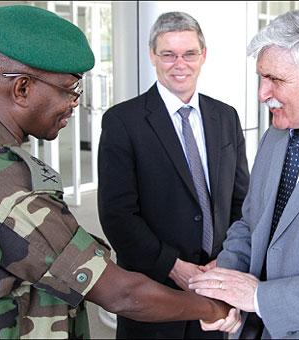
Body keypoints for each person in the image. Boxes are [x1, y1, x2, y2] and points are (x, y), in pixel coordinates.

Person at [0, 5, 236, 339]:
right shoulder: (6, 186)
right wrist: (214, 308)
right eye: (69, 90)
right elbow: (121, 293)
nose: (75, 104)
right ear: (23, 88)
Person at [188, 9, 299, 339]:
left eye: (275, 80)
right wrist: (223, 290)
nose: (261, 94)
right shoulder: (277, 134)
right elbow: (249, 224)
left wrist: (258, 297)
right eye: (261, 77)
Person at [97, 11, 249, 339]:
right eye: (168, 54)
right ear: (152, 55)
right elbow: (117, 215)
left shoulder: (226, 117)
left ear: (203, 55)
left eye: (189, 53)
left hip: (215, 289)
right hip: (154, 294)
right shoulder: (122, 121)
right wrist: (173, 267)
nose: (180, 63)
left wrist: (226, 258)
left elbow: (241, 201)